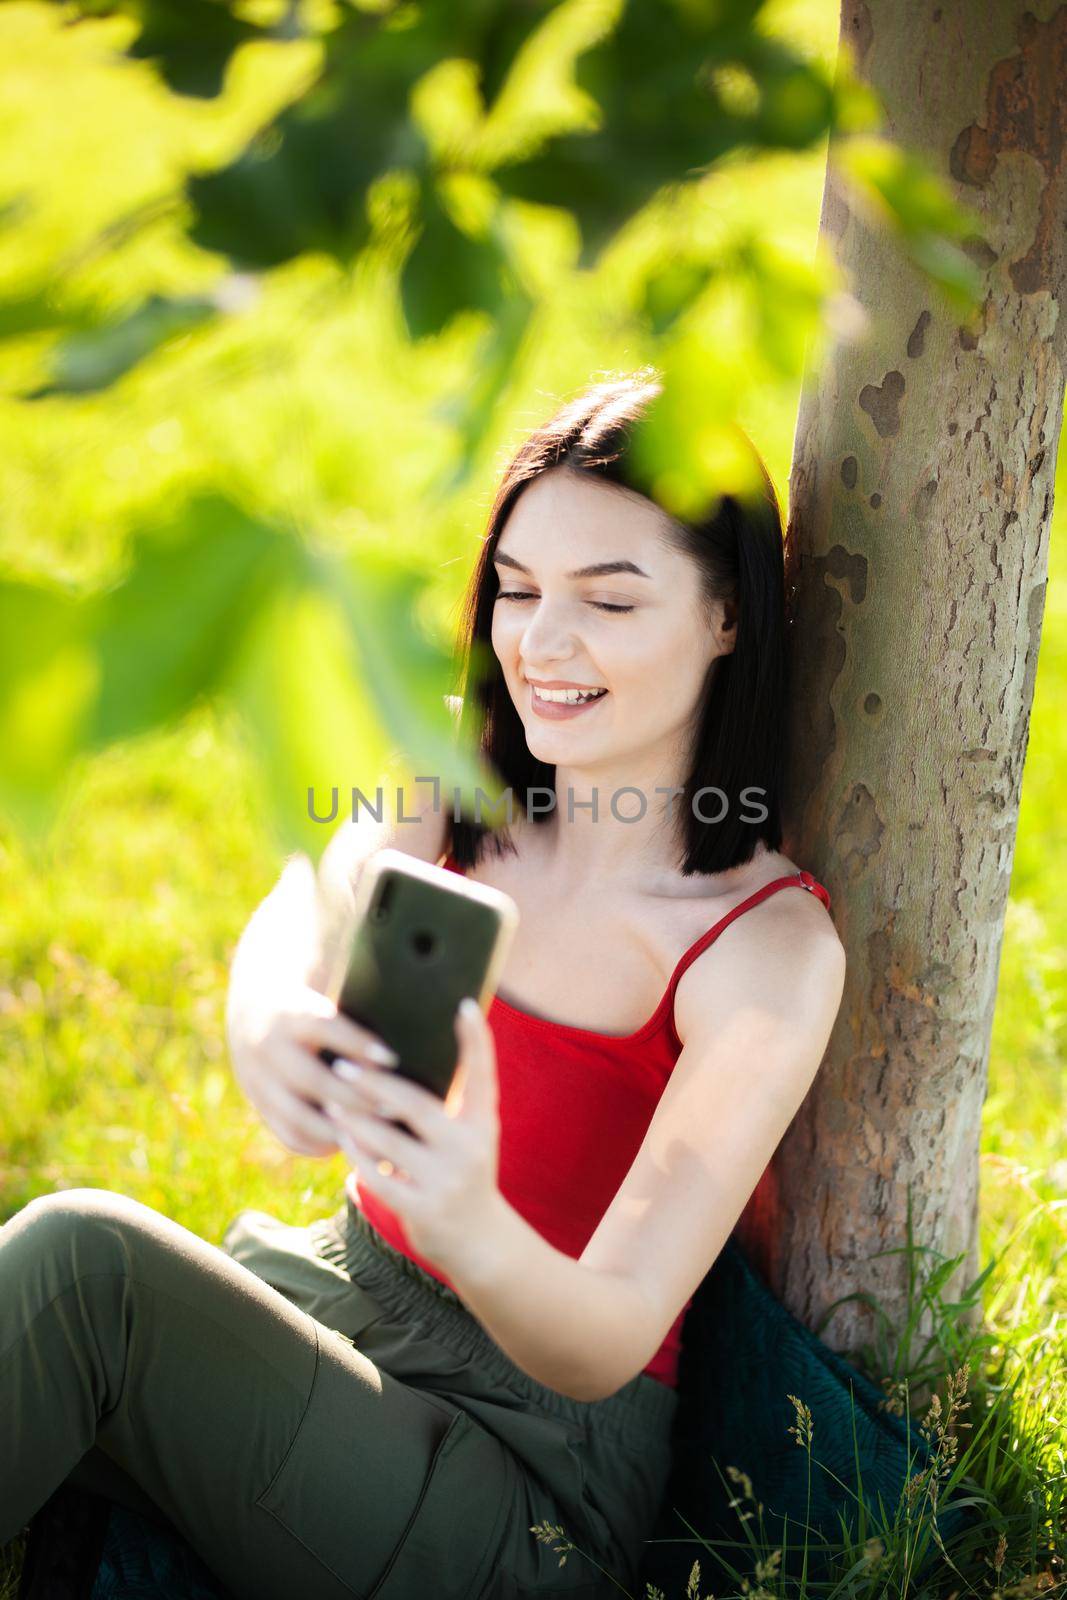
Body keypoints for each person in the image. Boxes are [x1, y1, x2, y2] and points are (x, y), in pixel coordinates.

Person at [0, 369, 846, 1600]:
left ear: (727, 617)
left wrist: (468, 1222)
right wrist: (271, 1017)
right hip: (342, 1300)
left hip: (523, 1471)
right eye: (515, 589)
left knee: (85, 1263)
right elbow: (308, 899)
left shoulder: (761, 949)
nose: (539, 644)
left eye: (607, 600)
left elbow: (607, 1336)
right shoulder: (465, 774)